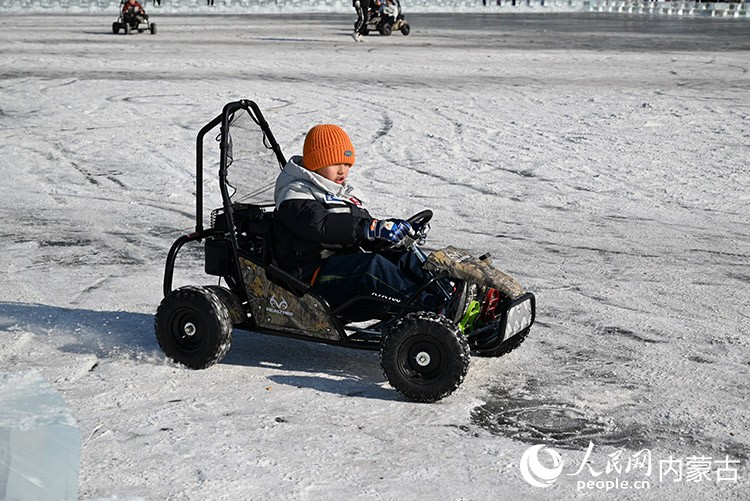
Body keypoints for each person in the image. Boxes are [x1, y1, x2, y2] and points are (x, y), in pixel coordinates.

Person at [271, 124, 463, 322]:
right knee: (372, 266)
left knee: (401, 257)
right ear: (315, 162)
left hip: (342, 268)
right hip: (310, 277)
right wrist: (370, 228)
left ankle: (450, 294)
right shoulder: (295, 192)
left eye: (347, 164)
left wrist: (393, 233)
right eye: (335, 163)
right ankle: (433, 309)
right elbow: (322, 225)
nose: (342, 171)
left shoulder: (340, 193)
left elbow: (364, 230)